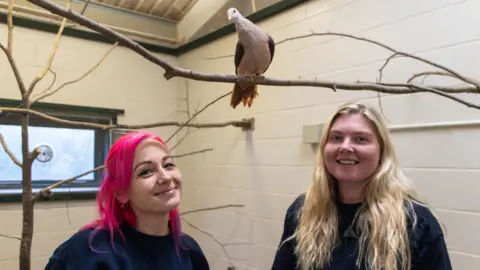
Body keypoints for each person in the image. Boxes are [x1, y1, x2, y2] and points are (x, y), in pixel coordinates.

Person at [271, 102, 452, 270]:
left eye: (361, 139)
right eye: (336, 138)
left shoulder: (416, 222)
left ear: (381, 151)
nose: (346, 147)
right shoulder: (303, 211)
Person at [45, 131, 210, 270]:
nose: (166, 177)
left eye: (168, 165)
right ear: (121, 193)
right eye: (146, 172)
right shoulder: (89, 251)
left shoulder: (190, 251)